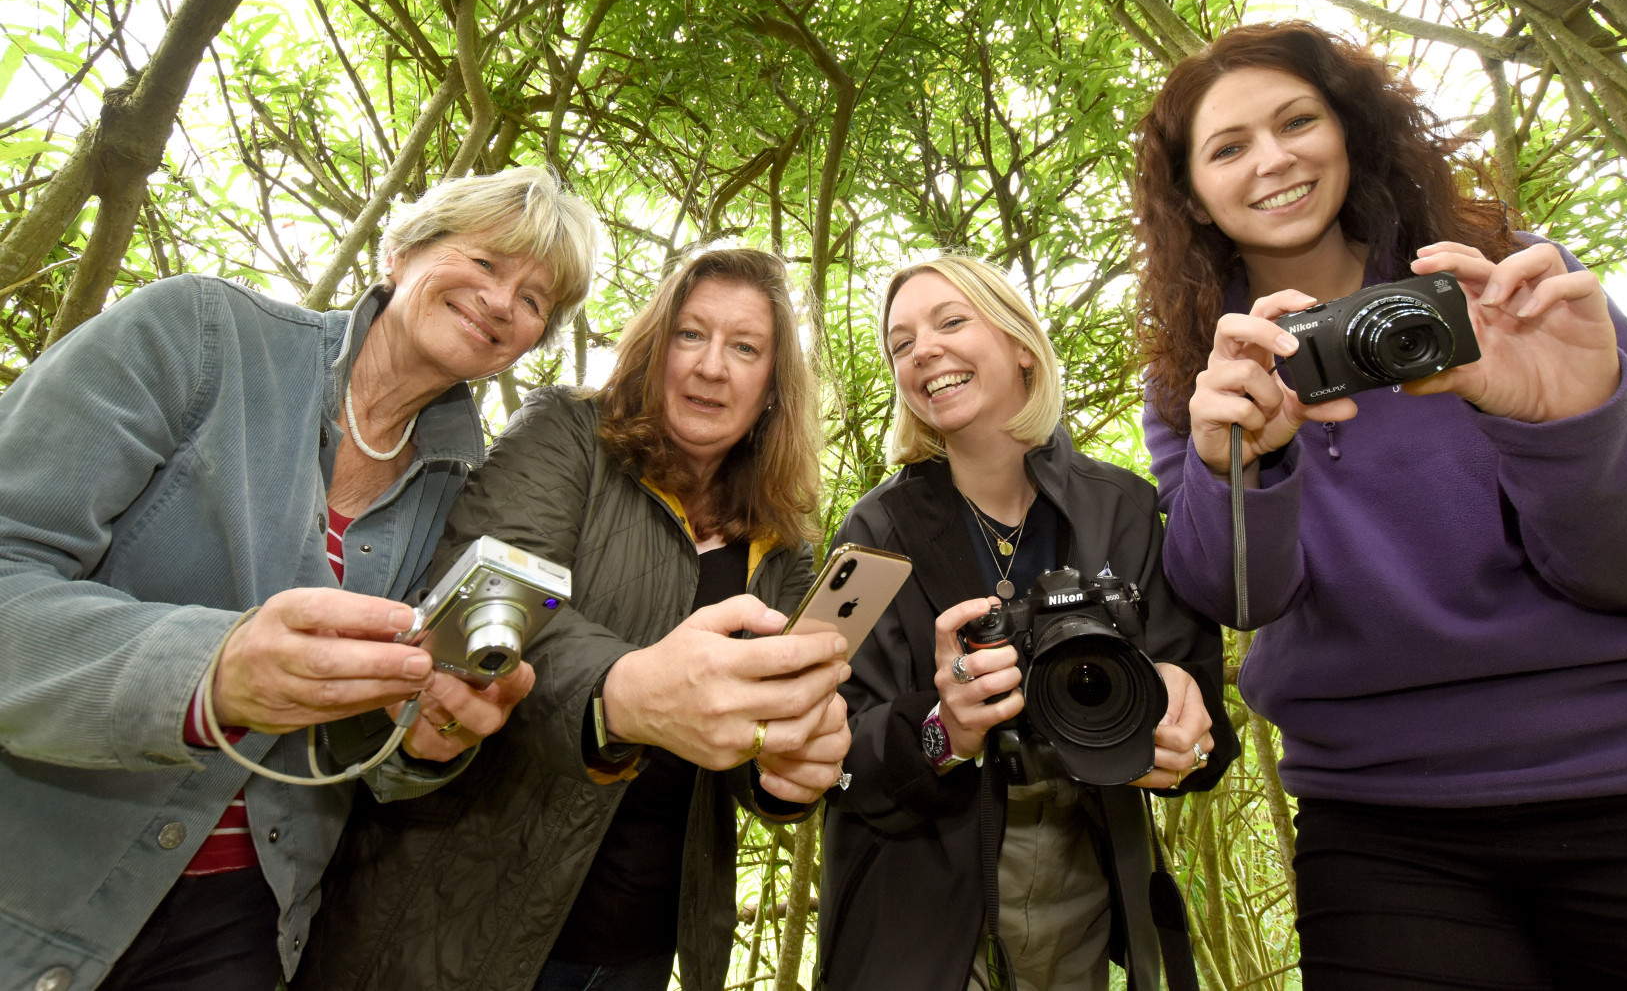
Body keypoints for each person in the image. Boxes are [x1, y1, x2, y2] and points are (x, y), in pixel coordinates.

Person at [1135, 21, 1627, 990]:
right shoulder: (1199, 375)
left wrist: (1562, 418)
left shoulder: (1514, 290)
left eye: (1295, 121)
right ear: (1191, 191)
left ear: (1347, 130)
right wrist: (1243, 465)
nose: (1272, 158)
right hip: (1382, 817)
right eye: (1228, 145)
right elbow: (1234, 594)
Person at [0, 165, 599, 991]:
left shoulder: (463, 492)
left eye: (534, 300)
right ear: (401, 253)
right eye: (488, 264)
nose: (503, 303)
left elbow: (358, 752)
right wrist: (208, 672)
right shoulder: (198, 334)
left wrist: (424, 742)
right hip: (35, 882)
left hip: (246, 926)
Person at [298, 246, 852, 991]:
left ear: (773, 387)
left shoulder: (787, 538)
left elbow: (766, 720)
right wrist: (624, 688)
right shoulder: (567, 434)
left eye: (745, 347)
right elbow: (492, 608)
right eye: (691, 335)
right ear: (657, 346)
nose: (711, 366)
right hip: (457, 907)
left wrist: (789, 767)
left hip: (643, 943)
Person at [818, 255, 1237, 991]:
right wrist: (944, 729)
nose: (924, 351)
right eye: (901, 343)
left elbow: (1200, 725)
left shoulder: (1125, 509)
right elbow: (833, 747)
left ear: (1020, 344)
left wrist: (1182, 725)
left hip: (1085, 890)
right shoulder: (874, 530)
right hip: (920, 908)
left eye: (951, 322)